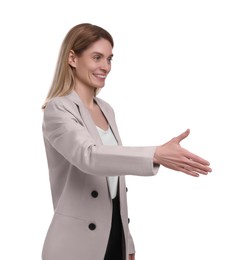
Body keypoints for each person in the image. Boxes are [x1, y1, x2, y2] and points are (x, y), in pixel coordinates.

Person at [41, 23, 212, 260]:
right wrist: (155, 154)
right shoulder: (57, 109)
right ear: (72, 58)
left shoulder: (107, 110)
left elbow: (114, 180)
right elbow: (89, 157)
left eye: (109, 59)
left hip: (113, 236)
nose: (106, 67)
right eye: (97, 57)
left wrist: (127, 240)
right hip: (75, 244)